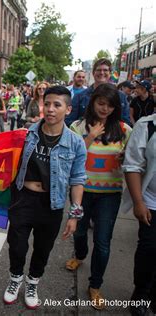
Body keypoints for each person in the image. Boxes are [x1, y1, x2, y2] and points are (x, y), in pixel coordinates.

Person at [3, 86, 87, 309]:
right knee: (17, 246)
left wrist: (74, 214)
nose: (50, 109)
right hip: (23, 199)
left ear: (68, 109)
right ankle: (15, 279)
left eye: (57, 105)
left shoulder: (76, 143)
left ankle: (32, 282)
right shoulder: (26, 134)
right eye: (47, 104)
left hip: (52, 204)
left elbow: (78, 178)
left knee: (42, 248)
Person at [66, 83, 132, 310]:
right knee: (80, 232)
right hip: (81, 192)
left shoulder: (124, 130)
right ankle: (81, 254)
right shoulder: (77, 126)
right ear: (92, 102)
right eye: (101, 103)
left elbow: (134, 161)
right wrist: (90, 136)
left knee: (103, 242)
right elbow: (70, 157)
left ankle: (95, 285)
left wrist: (126, 158)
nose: (105, 109)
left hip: (109, 195)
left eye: (110, 105)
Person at [121, 113, 156, 316]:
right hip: (151, 201)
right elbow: (133, 164)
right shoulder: (146, 125)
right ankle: (141, 294)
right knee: (150, 249)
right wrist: (138, 202)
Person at [66, 58, 131, 126]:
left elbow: (126, 122)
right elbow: (69, 121)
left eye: (105, 70)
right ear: (93, 73)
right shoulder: (79, 96)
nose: (102, 73)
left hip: (113, 135)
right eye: (99, 70)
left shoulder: (121, 96)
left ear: (110, 73)